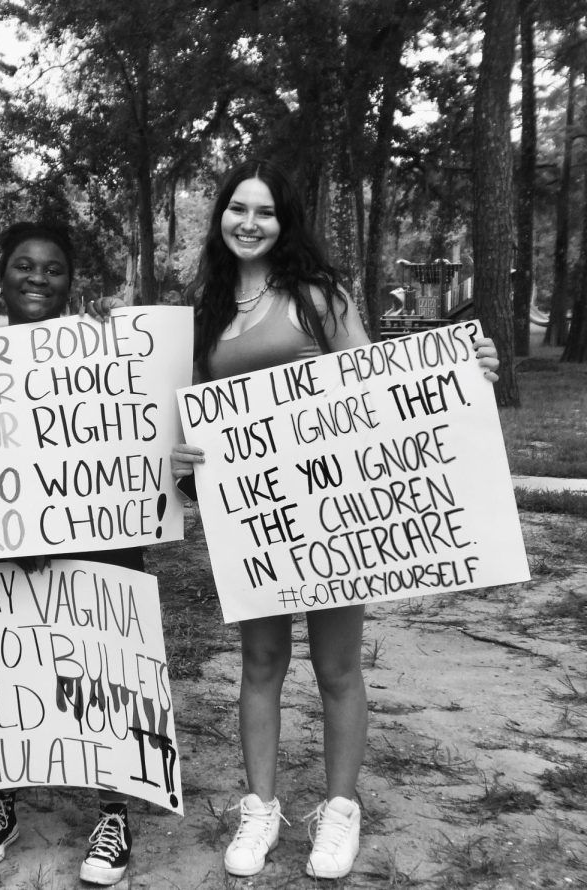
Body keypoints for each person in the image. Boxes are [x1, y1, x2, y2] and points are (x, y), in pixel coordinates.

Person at [169, 159, 500, 880]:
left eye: (265, 211)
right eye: (236, 208)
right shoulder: (204, 310)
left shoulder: (318, 297)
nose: (248, 222)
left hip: (328, 514)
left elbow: (378, 387)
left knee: (337, 666)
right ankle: (260, 807)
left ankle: (340, 811)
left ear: (285, 223)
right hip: (255, 521)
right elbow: (188, 410)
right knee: (259, 664)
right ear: (220, 217)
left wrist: (463, 368)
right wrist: (183, 462)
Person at [0, 221, 142, 887]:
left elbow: (129, 441)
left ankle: (114, 810)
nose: (37, 278)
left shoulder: (103, 350)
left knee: (102, 664)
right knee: (1, 662)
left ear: (71, 281)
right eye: (24, 266)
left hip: (96, 536)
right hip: (2, 546)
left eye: (53, 268)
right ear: (1, 274)